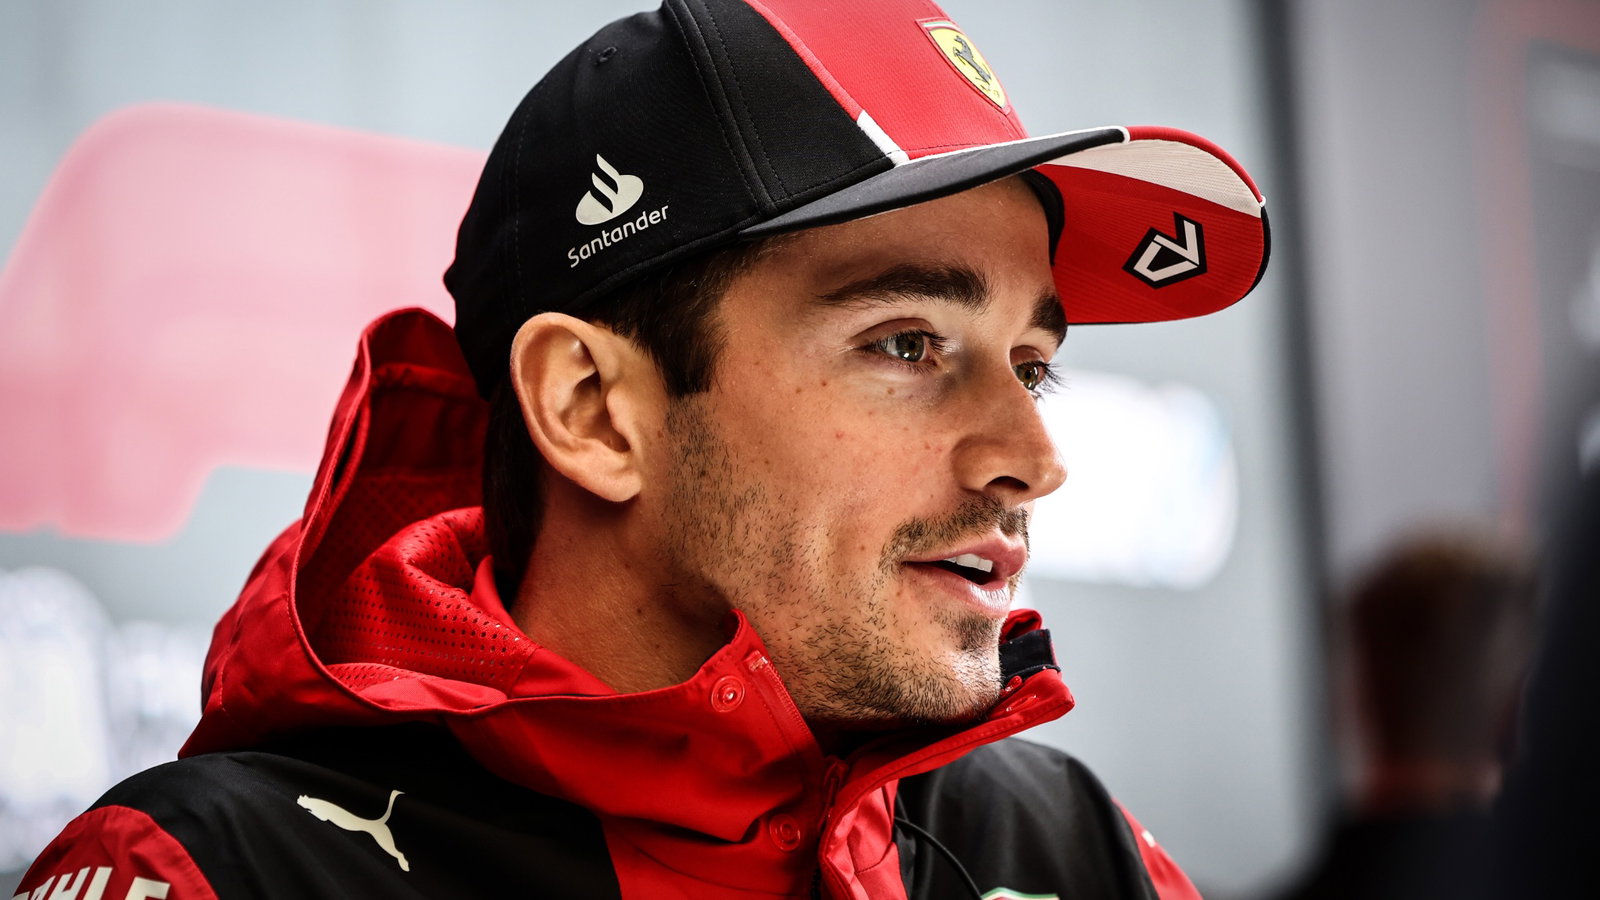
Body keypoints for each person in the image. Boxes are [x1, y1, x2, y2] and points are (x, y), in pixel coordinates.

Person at [17, 1, 1268, 897]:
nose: (1030, 456)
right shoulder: (215, 872)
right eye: (905, 344)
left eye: (1033, 364)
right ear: (591, 409)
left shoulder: (1060, 848)